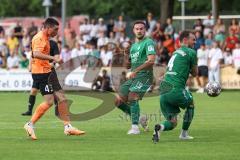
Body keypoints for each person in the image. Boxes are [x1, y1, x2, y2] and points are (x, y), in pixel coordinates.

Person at [24, 18, 85, 140]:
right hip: (41, 73)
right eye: (56, 29)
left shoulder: (47, 39)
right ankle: (30, 124)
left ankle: (67, 127)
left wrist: (53, 60)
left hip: (49, 71)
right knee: (49, 102)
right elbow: (35, 54)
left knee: (62, 98)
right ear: (48, 27)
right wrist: (53, 58)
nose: (57, 31)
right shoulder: (39, 38)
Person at [152, 30, 198, 142]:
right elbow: (195, 73)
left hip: (164, 91)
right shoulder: (191, 52)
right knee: (191, 104)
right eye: (193, 39)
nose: (195, 41)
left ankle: (159, 128)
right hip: (175, 89)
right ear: (185, 40)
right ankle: (184, 134)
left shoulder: (175, 53)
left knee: (172, 122)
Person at [114, 21, 156, 135]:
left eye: (141, 28)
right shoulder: (133, 46)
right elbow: (128, 66)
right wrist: (126, 55)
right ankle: (140, 118)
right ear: (133, 31)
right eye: (137, 29)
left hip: (145, 76)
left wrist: (135, 71)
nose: (139, 31)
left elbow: (151, 61)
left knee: (133, 97)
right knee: (117, 101)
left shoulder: (148, 42)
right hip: (134, 77)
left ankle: (135, 128)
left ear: (145, 30)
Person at [21, 40, 60, 116]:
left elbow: (56, 57)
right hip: (38, 71)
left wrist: (53, 63)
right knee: (33, 91)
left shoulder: (53, 43)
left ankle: (57, 109)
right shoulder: (37, 42)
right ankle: (29, 111)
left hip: (49, 71)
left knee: (53, 90)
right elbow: (32, 55)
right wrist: (30, 66)